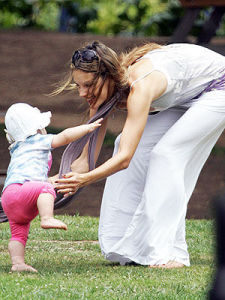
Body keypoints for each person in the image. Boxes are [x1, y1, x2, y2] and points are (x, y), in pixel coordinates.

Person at [54, 41, 225, 268]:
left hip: (217, 87)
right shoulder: (100, 94)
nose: (83, 93)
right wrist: (65, 177)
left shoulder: (140, 85)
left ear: (108, 76)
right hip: (183, 93)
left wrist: (85, 180)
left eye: (88, 85)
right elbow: (88, 155)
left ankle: (170, 253)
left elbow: (125, 160)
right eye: (78, 86)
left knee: (167, 154)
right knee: (119, 143)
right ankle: (124, 246)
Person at [1, 103, 102, 272]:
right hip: (20, 191)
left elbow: (28, 172)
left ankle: (17, 263)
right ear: (37, 129)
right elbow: (65, 136)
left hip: (9, 198)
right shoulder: (37, 140)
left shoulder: (17, 148)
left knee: (18, 234)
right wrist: (86, 128)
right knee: (45, 189)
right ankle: (47, 217)